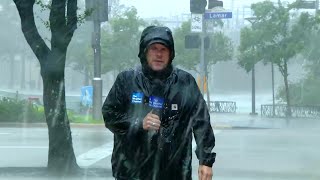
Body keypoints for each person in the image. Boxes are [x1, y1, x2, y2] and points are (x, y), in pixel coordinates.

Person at [102, 25, 216, 180]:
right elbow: (110, 115)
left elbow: (201, 121)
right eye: (153, 48)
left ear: (171, 53)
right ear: (144, 52)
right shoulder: (126, 80)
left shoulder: (184, 82)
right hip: (131, 171)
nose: (159, 54)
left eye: (164, 49)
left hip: (174, 171)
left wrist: (206, 160)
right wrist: (138, 123)